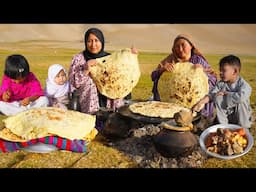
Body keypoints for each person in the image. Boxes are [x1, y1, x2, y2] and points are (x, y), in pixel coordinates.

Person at [151, 34, 217, 119]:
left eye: (183, 45)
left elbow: (214, 79)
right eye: (177, 46)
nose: (180, 49)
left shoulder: (198, 60)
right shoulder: (171, 59)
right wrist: (162, 70)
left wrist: (203, 72)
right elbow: (153, 76)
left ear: (191, 46)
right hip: (172, 102)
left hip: (196, 104)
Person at [192, 55, 252, 129]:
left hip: (241, 117)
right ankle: (224, 127)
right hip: (228, 116)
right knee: (218, 97)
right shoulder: (221, 84)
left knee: (242, 101)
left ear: (235, 72)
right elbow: (211, 95)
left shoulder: (243, 85)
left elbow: (242, 96)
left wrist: (227, 94)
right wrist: (200, 102)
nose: (220, 73)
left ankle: (243, 128)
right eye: (220, 70)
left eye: (224, 70)